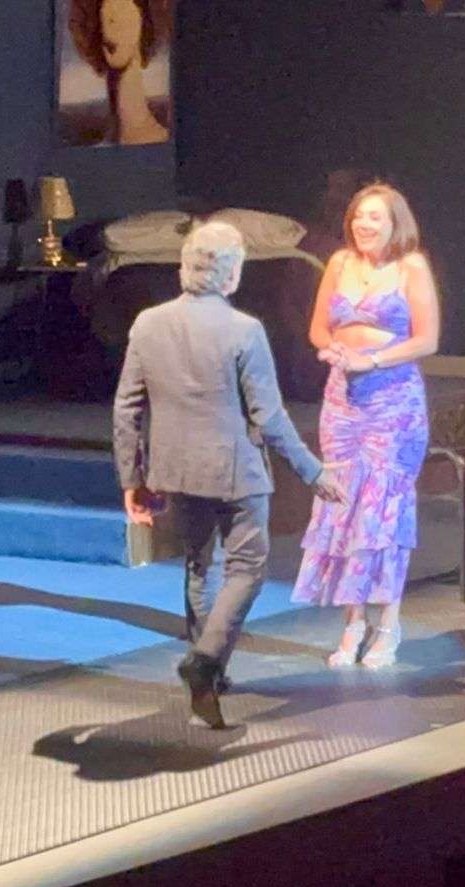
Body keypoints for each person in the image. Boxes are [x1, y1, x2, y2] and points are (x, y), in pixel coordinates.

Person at [113, 221, 344, 728]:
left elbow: (127, 407)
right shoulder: (244, 330)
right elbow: (269, 416)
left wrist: (133, 477)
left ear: (185, 266)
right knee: (248, 568)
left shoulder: (147, 324)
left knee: (201, 565)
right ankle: (206, 660)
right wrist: (312, 472)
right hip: (235, 470)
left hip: (175, 468)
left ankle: (209, 679)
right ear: (232, 272)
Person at [291, 183, 440, 668]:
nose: (364, 224)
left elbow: (427, 340)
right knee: (344, 507)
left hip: (392, 402)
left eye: (375, 216)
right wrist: (332, 349)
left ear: (395, 222)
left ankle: (389, 623)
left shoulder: (411, 266)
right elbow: (318, 327)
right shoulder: (339, 263)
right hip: (343, 400)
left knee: (382, 511)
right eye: (358, 216)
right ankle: (353, 621)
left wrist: (372, 360)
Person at [67, 0, 172, 145]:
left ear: (142, 21)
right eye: (102, 13)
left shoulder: (165, 142)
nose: (108, 24)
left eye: (122, 8)